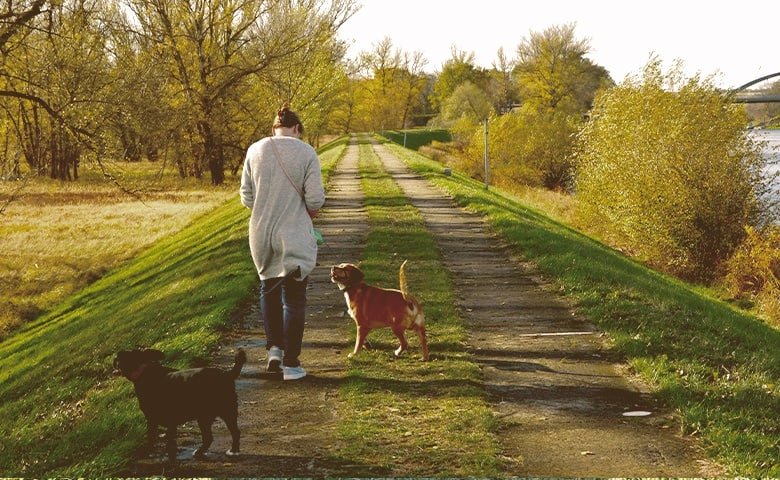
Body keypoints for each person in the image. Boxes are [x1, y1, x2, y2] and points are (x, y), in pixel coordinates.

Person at [239, 104, 325, 380]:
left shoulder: (255, 150)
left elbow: (246, 198)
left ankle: (274, 350)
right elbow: (315, 199)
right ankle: (291, 364)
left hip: (261, 233)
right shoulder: (306, 152)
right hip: (293, 233)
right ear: (297, 128)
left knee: (269, 291)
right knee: (295, 299)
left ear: (273, 128)